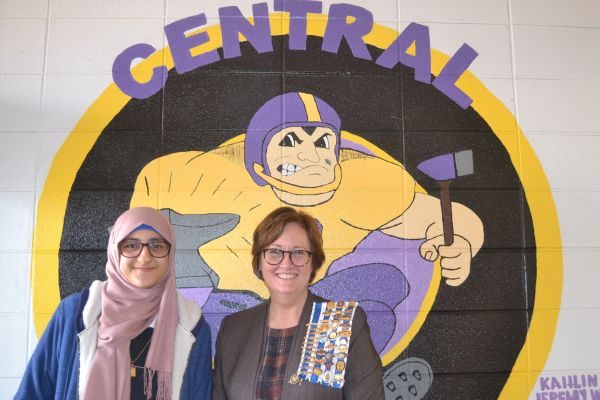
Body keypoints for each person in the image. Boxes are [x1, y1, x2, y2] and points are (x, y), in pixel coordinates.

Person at [15, 207, 212, 400]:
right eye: (131, 245)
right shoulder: (74, 314)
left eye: (157, 246)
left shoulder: (192, 326)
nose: (144, 257)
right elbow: (34, 391)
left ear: (170, 254)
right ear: (114, 251)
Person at [212, 207, 384, 400]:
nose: (286, 263)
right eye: (274, 252)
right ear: (259, 262)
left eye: (299, 252)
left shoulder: (338, 323)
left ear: (313, 263)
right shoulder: (233, 329)